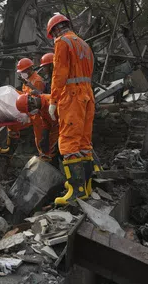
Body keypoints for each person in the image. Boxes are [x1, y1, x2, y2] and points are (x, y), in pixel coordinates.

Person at [46, 14, 95, 204]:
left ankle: (76, 191)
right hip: (87, 95)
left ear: (55, 30)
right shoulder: (84, 44)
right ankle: (86, 186)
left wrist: (53, 99)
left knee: (67, 141)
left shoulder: (63, 42)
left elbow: (59, 73)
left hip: (72, 96)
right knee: (84, 142)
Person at [0, 57, 45, 155]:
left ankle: (43, 155)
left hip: (35, 112)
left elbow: (34, 99)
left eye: (23, 71)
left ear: (30, 69)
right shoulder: (27, 79)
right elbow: (23, 94)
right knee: (11, 123)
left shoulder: (37, 81)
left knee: (39, 136)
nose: (21, 73)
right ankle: (10, 149)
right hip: (26, 107)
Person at [15, 93, 59, 163]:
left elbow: (63, 121)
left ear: (31, 104)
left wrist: (56, 141)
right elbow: (47, 121)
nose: (31, 112)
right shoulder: (41, 108)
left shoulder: (50, 102)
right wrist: (45, 131)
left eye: (29, 110)